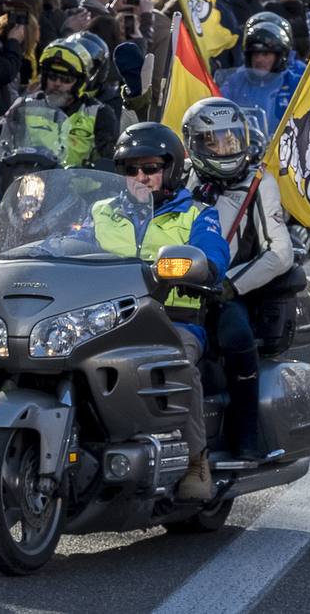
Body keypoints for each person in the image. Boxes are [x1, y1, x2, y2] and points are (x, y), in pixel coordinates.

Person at [84, 123, 230, 499]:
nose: (140, 177)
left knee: (180, 367)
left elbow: (214, 254)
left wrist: (201, 265)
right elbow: (69, 240)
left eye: (149, 168)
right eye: (130, 169)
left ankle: (197, 461)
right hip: (104, 318)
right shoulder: (101, 211)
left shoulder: (198, 214)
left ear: (172, 169)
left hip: (172, 320)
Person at [183, 98, 291, 457]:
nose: (226, 147)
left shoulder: (259, 181)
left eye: (232, 138)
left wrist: (231, 285)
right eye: (214, 141)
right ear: (194, 145)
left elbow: (280, 253)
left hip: (224, 290)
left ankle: (246, 438)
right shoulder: (182, 176)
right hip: (173, 283)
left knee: (236, 336)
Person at [0, 38, 118, 168]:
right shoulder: (25, 105)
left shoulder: (99, 113)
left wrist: (99, 169)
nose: (58, 84)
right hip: (31, 184)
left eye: (66, 79)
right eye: (53, 76)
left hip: (80, 188)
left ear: (80, 82)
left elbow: (109, 157)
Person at [219, 22, 299, 125]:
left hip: (284, 140)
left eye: (265, 54)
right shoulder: (234, 83)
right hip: (244, 140)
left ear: (279, 57)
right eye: (255, 54)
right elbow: (218, 109)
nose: (259, 59)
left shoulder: (295, 83)